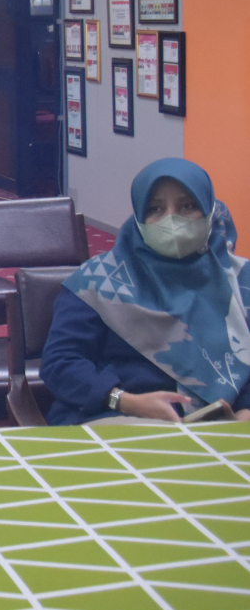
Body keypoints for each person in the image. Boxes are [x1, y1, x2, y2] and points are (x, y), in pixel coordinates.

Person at [42, 158, 250, 425]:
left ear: (209, 210)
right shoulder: (98, 283)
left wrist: (246, 412)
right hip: (117, 414)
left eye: (187, 206)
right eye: (155, 209)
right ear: (139, 218)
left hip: (222, 422)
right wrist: (123, 400)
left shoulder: (240, 281)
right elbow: (61, 362)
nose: (171, 219)